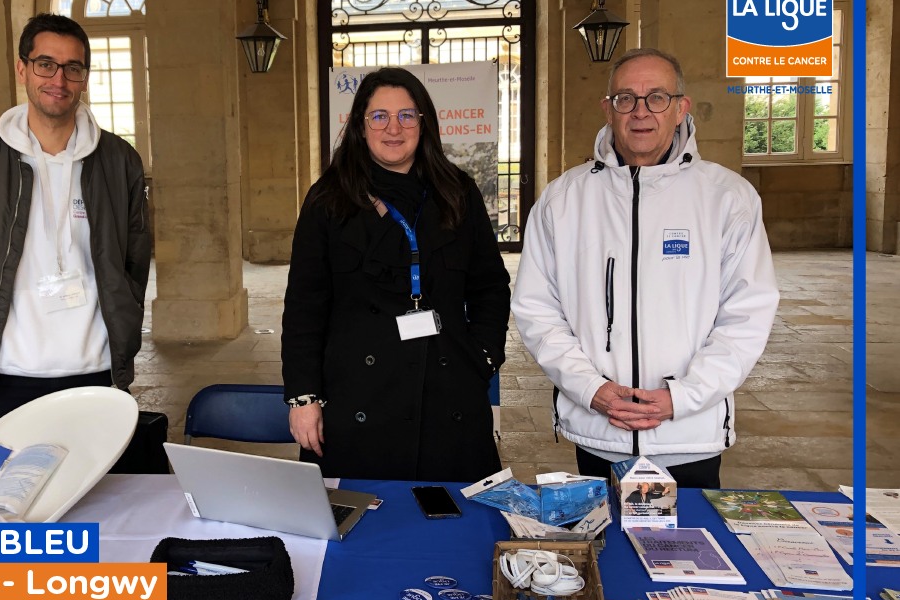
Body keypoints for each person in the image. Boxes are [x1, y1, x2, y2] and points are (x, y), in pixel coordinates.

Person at [511, 48, 779, 489]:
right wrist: (591, 389)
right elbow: (537, 310)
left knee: (684, 555)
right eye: (625, 99)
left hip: (688, 435)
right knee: (607, 552)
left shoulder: (727, 198)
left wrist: (679, 398)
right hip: (600, 432)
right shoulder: (563, 201)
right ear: (607, 109)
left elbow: (748, 315)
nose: (640, 112)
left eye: (656, 97)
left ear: (680, 108)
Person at [282, 67, 511, 482]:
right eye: (379, 116)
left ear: (424, 124)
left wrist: (483, 357)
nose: (394, 128)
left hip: (449, 391)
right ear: (359, 125)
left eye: (407, 116)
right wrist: (303, 398)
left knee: (456, 528)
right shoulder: (327, 200)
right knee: (358, 529)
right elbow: (303, 308)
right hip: (357, 394)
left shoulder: (457, 192)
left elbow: (490, 287)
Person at [0, 13, 150, 428]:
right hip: (10, 370)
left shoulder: (119, 160)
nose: (58, 80)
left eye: (72, 68)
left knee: (103, 491)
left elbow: (135, 258)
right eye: (46, 64)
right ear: (22, 68)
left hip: (96, 367)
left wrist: (125, 321)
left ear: (84, 77)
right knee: (15, 491)